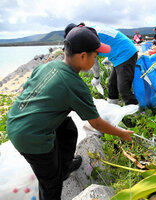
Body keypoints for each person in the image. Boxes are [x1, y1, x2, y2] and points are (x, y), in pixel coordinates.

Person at [6, 26, 133, 200]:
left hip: (16, 119)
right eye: (95, 56)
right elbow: (96, 123)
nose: (96, 59)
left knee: (67, 127)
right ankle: (57, 177)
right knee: (50, 183)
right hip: (31, 137)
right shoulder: (75, 85)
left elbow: (25, 90)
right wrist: (122, 134)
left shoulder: (50, 66)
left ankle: (64, 168)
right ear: (83, 56)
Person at [89, 24, 139, 105]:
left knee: (123, 89)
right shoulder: (93, 29)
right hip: (119, 54)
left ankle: (136, 112)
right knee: (112, 85)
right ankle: (112, 108)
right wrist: (109, 57)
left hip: (125, 54)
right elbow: (113, 40)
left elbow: (93, 62)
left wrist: (96, 77)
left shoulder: (87, 39)